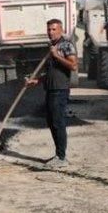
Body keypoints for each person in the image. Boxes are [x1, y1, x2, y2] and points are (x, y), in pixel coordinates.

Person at [26, 18, 77, 168]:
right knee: (51, 121)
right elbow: (51, 71)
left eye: (54, 29)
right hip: (50, 88)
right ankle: (58, 154)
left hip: (60, 89)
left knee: (58, 122)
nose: (50, 32)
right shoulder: (52, 46)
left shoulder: (66, 45)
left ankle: (61, 157)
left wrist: (57, 56)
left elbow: (73, 66)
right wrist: (38, 81)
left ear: (61, 30)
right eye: (49, 29)